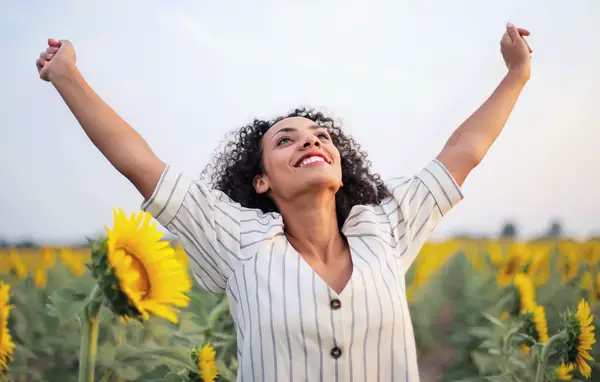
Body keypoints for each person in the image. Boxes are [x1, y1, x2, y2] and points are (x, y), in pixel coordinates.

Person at [36, 22, 533, 381]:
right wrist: (67, 75)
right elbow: (141, 165)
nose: (311, 142)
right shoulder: (237, 242)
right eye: (286, 140)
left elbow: (463, 153)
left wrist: (516, 75)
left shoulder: (385, 227)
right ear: (260, 182)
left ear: (341, 170)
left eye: (320, 137)